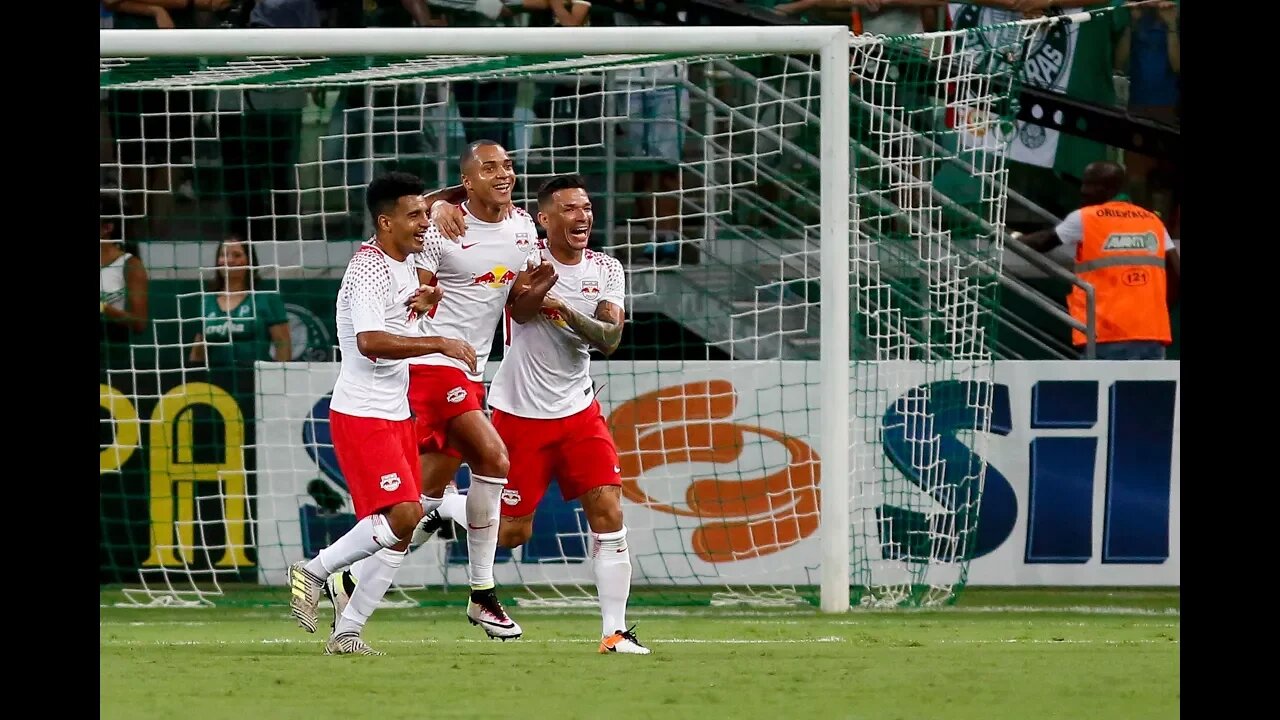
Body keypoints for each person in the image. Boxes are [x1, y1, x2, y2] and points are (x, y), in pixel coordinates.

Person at [349, 140, 555, 641]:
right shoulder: (441, 226)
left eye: (507, 165)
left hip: (471, 369)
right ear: (467, 180)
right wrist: (426, 292)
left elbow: (518, 308)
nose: (503, 173)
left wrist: (540, 290)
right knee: (494, 459)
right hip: (432, 365)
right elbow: (415, 292)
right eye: (489, 168)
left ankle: (348, 591)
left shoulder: (524, 228)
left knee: (415, 506)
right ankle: (482, 594)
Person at [288, 171, 476, 656]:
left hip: (395, 413)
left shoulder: (404, 258)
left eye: (423, 214)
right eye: (414, 217)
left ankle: (347, 632)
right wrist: (440, 341)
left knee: (404, 522)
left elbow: (426, 206)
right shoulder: (368, 269)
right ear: (385, 222)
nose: (424, 224)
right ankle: (314, 571)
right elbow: (370, 342)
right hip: (362, 413)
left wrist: (460, 190)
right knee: (407, 513)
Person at [492, 174, 647, 653]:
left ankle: (614, 633)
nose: (583, 217)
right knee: (514, 533)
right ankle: (448, 511)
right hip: (519, 412)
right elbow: (518, 313)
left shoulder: (607, 268)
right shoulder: (525, 260)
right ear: (545, 219)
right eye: (570, 209)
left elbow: (610, 338)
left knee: (609, 511)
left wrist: (563, 311)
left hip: (579, 411)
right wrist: (542, 296)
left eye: (586, 208)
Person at [1015, 161, 1180, 360]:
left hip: (1107, 335)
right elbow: (1175, 270)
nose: (1083, 190)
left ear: (1111, 188)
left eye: (1092, 185)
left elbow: (1043, 242)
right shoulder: (1151, 220)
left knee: (1100, 391)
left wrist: (1009, 237)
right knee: (1146, 392)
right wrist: (1159, 312)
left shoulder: (1086, 217)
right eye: (1084, 183)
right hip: (1152, 335)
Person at [188, 235, 291, 369]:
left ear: (249, 261)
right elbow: (198, 353)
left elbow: (282, 343)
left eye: (237, 255)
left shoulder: (267, 299)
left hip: (256, 381)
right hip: (216, 384)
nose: (229, 260)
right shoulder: (206, 301)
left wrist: (279, 380)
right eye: (223, 255)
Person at [100, 194, 149, 373]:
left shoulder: (130, 265)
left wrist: (103, 308)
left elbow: (139, 322)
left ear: (107, 227)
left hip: (112, 358)